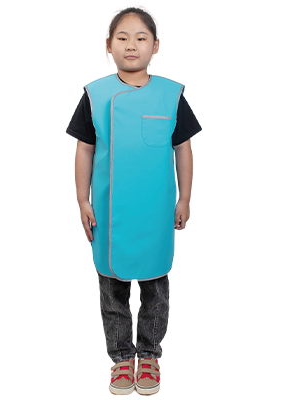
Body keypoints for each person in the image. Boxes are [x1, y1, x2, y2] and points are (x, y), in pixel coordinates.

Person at [67, 7, 201, 396]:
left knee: (156, 289)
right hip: (109, 211)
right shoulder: (94, 95)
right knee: (113, 290)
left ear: (155, 46)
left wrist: (185, 197)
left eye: (141, 38)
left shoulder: (172, 96)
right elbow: (85, 150)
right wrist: (82, 198)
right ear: (108, 45)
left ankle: (151, 354)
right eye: (122, 38)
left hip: (157, 210)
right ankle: (122, 357)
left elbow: (183, 150)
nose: (131, 45)